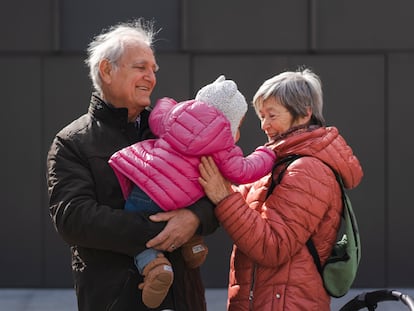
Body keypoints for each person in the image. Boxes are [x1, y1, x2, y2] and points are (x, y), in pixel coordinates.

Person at [46, 19, 219, 311]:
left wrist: (194, 218)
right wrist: (161, 230)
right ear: (106, 70)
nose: (151, 77)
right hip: (115, 299)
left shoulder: (172, 129)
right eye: (141, 67)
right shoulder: (71, 142)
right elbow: (73, 218)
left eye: (153, 70)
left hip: (183, 298)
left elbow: (215, 191)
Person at [198, 68, 364, 310]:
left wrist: (224, 197)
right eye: (261, 115)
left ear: (305, 113)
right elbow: (243, 209)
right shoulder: (278, 162)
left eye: (272, 115)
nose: (264, 125)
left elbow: (273, 246)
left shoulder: (307, 169)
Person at [108, 75, 276, 308]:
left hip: (145, 188)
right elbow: (243, 171)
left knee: (135, 231)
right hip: (182, 198)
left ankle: (155, 266)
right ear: (230, 123)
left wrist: (167, 101)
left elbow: (157, 114)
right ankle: (193, 244)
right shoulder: (224, 144)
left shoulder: (173, 115)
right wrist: (267, 154)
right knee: (200, 198)